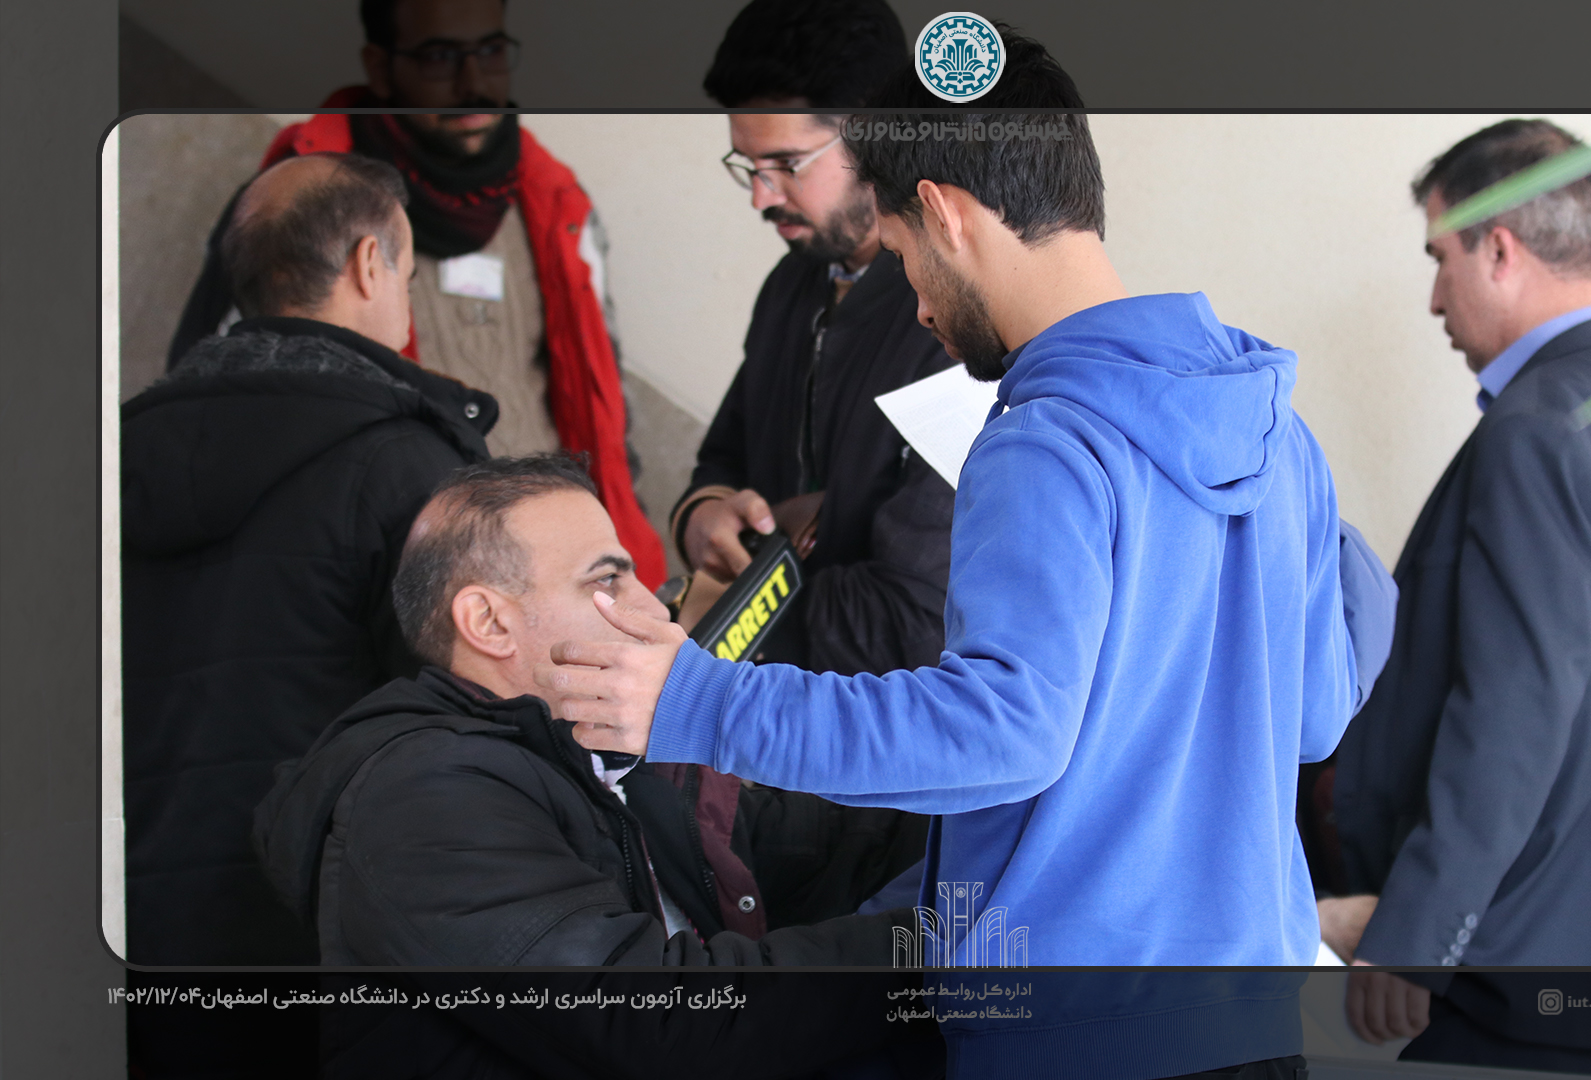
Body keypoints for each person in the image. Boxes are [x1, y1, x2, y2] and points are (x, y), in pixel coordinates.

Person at [526, 27, 1395, 1079]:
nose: (920, 305)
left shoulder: (1043, 443)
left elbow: (1002, 736)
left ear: (942, 212)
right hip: (1251, 1022)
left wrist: (700, 703)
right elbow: (1316, 714)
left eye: (902, 256)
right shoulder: (1273, 426)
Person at [1324, 120, 1591, 1076]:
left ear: (1499, 248)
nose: (1434, 298)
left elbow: (1510, 715)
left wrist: (1418, 934)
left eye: (1440, 258)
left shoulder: (1537, 427)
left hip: (1533, 981)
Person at [253, 454, 926, 970]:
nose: (655, 609)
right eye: (606, 580)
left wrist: (969, 795)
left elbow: (829, 845)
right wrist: (937, 944)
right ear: (488, 622)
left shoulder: (606, 758)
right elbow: (664, 1025)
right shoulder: (423, 796)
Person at [123, 151, 494, 967]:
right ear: (369, 264)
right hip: (299, 925)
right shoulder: (406, 463)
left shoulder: (118, 447)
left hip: (120, 911)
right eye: (406, 274)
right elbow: (469, 720)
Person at [167, 0, 669, 588]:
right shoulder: (297, 205)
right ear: (381, 67)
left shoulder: (557, 201)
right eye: (439, 58)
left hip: (559, 570)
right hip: (397, 582)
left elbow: (606, 405)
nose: (473, 83)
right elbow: (220, 418)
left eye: (490, 51)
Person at [677, 0, 955, 685]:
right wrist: (704, 519)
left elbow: (913, 619)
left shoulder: (956, 325)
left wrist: (735, 614)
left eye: (786, 163)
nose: (761, 197)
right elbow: (722, 457)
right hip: (769, 702)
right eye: (748, 165)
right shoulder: (793, 285)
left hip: (873, 729)